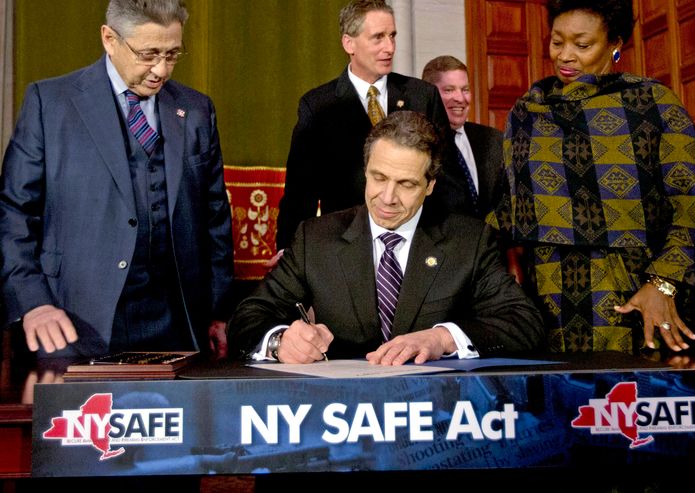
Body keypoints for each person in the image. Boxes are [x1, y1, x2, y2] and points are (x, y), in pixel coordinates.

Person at [488, 0, 695, 358]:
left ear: (615, 43)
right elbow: (508, 210)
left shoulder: (653, 104)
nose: (566, 56)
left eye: (582, 44)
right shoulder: (528, 111)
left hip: (638, 294)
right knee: (564, 406)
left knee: (635, 403)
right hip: (549, 299)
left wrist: (662, 284)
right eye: (557, 42)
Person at [0, 0, 234, 361]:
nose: (161, 70)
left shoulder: (197, 109)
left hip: (177, 326)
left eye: (172, 54)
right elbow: (14, 213)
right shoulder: (51, 103)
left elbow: (214, 217)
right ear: (109, 39)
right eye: (148, 54)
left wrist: (219, 311)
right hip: (72, 322)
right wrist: (34, 302)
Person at [228, 110, 544, 365]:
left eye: (406, 184)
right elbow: (247, 318)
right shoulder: (316, 238)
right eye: (379, 178)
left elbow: (525, 322)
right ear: (366, 170)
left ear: (430, 185)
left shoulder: (468, 241)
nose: (388, 198)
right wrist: (281, 341)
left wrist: (442, 339)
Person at [275, 0, 473, 253]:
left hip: (418, 245)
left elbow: (449, 180)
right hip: (348, 248)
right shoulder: (318, 106)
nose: (389, 47)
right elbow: (300, 193)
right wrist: (287, 251)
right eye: (378, 38)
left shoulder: (422, 96)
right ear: (349, 43)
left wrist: (457, 246)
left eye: (392, 36)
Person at [422, 55, 504, 219]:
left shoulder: (493, 139)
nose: (460, 98)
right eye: (449, 90)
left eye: (465, 89)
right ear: (428, 94)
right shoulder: (419, 142)